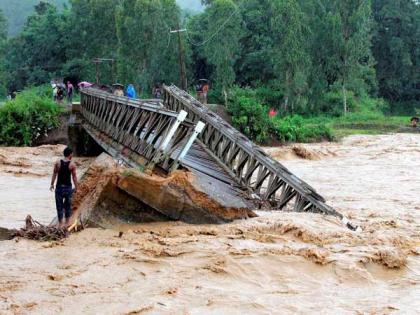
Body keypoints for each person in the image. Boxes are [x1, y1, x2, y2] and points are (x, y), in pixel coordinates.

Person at [50, 147, 78, 228]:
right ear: (70, 154)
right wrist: (76, 187)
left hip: (59, 188)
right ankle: (67, 223)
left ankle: (60, 223)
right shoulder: (72, 164)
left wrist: (51, 184)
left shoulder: (57, 163)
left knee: (59, 207)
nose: (72, 155)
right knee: (67, 206)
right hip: (68, 188)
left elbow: (54, 174)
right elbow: (74, 177)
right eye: (72, 153)